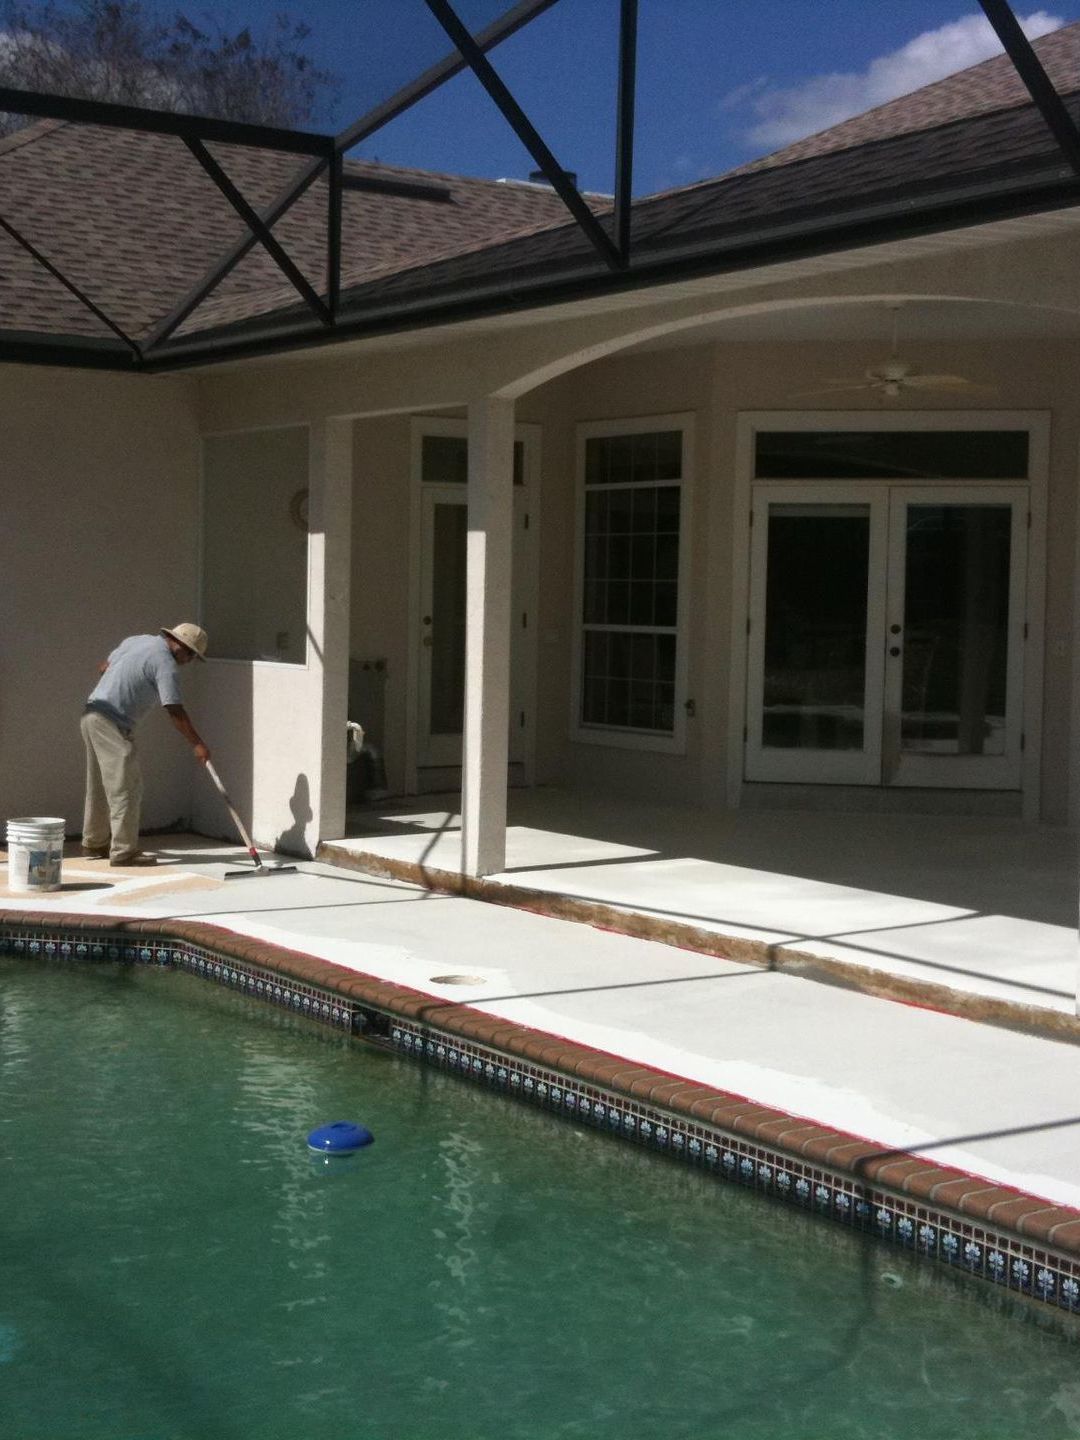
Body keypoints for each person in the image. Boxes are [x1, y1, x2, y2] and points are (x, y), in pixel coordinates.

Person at [81, 623, 211, 867]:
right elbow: (173, 708)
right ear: (181, 645)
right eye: (191, 654)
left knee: (100, 784)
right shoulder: (165, 664)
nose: (190, 660)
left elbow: (104, 667)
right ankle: (124, 852)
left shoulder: (137, 640)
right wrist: (198, 744)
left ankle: (94, 842)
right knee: (127, 788)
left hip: (91, 715)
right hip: (111, 722)